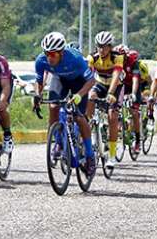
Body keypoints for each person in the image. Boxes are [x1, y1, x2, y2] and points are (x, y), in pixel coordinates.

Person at [32, 32, 97, 176]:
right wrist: (37, 94)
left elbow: (91, 81)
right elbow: (39, 80)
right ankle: (58, 143)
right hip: (60, 80)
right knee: (54, 107)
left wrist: (79, 95)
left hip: (79, 83)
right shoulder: (41, 60)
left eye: (53, 54)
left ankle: (90, 155)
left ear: (61, 52)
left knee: (79, 117)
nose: (49, 57)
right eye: (47, 53)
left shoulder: (75, 59)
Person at [85, 31, 125, 169]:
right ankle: (88, 122)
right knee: (90, 97)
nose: (101, 50)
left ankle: (112, 155)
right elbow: (88, 76)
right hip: (100, 83)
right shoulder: (92, 57)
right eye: (99, 46)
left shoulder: (117, 57)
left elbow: (116, 75)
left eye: (104, 46)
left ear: (110, 47)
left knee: (112, 116)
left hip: (116, 86)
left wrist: (111, 93)